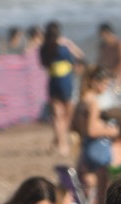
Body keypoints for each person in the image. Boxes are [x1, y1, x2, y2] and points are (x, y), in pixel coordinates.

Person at [72, 66, 120, 204]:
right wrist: (111, 131)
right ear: (95, 82)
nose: (106, 87)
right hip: (97, 148)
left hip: (85, 148)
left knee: (88, 189)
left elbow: (76, 127)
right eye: (105, 84)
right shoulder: (93, 103)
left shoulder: (81, 102)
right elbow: (91, 130)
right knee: (102, 192)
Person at [39, 21, 85, 159]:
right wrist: (69, 44)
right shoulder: (63, 48)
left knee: (57, 117)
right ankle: (62, 143)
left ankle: (59, 144)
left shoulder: (44, 49)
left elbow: (44, 65)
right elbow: (80, 57)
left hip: (53, 82)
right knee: (67, 116)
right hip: (66, 82)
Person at [96, 22, 121, 95]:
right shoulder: (103, 46)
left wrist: (113, 74)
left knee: (118, 87)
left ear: (108, 33)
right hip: (109, 73)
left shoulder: (119, 44)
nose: (101, 37)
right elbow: (100, 61)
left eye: (102, 34)